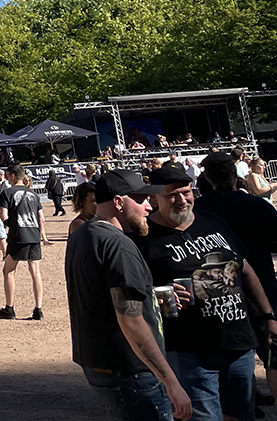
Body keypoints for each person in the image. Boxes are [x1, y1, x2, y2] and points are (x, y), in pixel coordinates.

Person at [136, 160, 277, 421]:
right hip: (189, 348)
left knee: (242, 413)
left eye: (186, 192)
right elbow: (134, 293)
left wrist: (268, 317)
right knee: (204, 418)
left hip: (238, 342)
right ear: (154, 199)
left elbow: (245, 269)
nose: (181, 200)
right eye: (172, 195)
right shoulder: (143, 237)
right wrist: (157, 294)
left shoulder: (212, 220)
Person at [64, 169, 192, 421]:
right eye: (141, 200)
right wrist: (170, 381)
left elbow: (103, 295)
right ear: (119, 203)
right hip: (130, 371)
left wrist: (150, 296)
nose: (148, 207)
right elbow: (130, 319)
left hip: (100, 365)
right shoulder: (119, 245)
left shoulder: (82, 234)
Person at [195, 151, 277, 408]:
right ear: (235, 175)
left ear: (206, 176)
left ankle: (247, 404)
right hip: (262, 285)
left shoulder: (199, 210)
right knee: (273, 352)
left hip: (219, 293)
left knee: (235, 355)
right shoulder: (256, 205)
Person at [0, 166, 48, 321]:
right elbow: (41, 218)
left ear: (13, 176)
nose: (7, 178)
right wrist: (42, 236)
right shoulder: (34, 194)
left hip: (18, 236)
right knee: (35, 272)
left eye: (8, 175)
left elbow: (3, 216)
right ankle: (38, 309)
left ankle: (9, 308)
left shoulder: (7, 193)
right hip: (34, 235)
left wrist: (13, 224)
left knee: (9, 270)